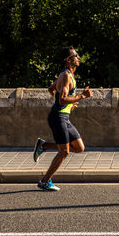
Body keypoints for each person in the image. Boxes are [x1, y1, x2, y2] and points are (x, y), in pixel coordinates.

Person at [33, 46, 93, 191]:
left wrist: (69, 105)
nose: (78, 57)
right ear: (68, 59)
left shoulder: (68, 75)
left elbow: (51, 89)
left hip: (64, 117)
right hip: (58, 117)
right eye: (76, 55)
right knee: (64, 152)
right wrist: (81, 97)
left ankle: (44, 146)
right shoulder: (65, 76)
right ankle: (44, 181)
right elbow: (61, 99)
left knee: (79, 148)